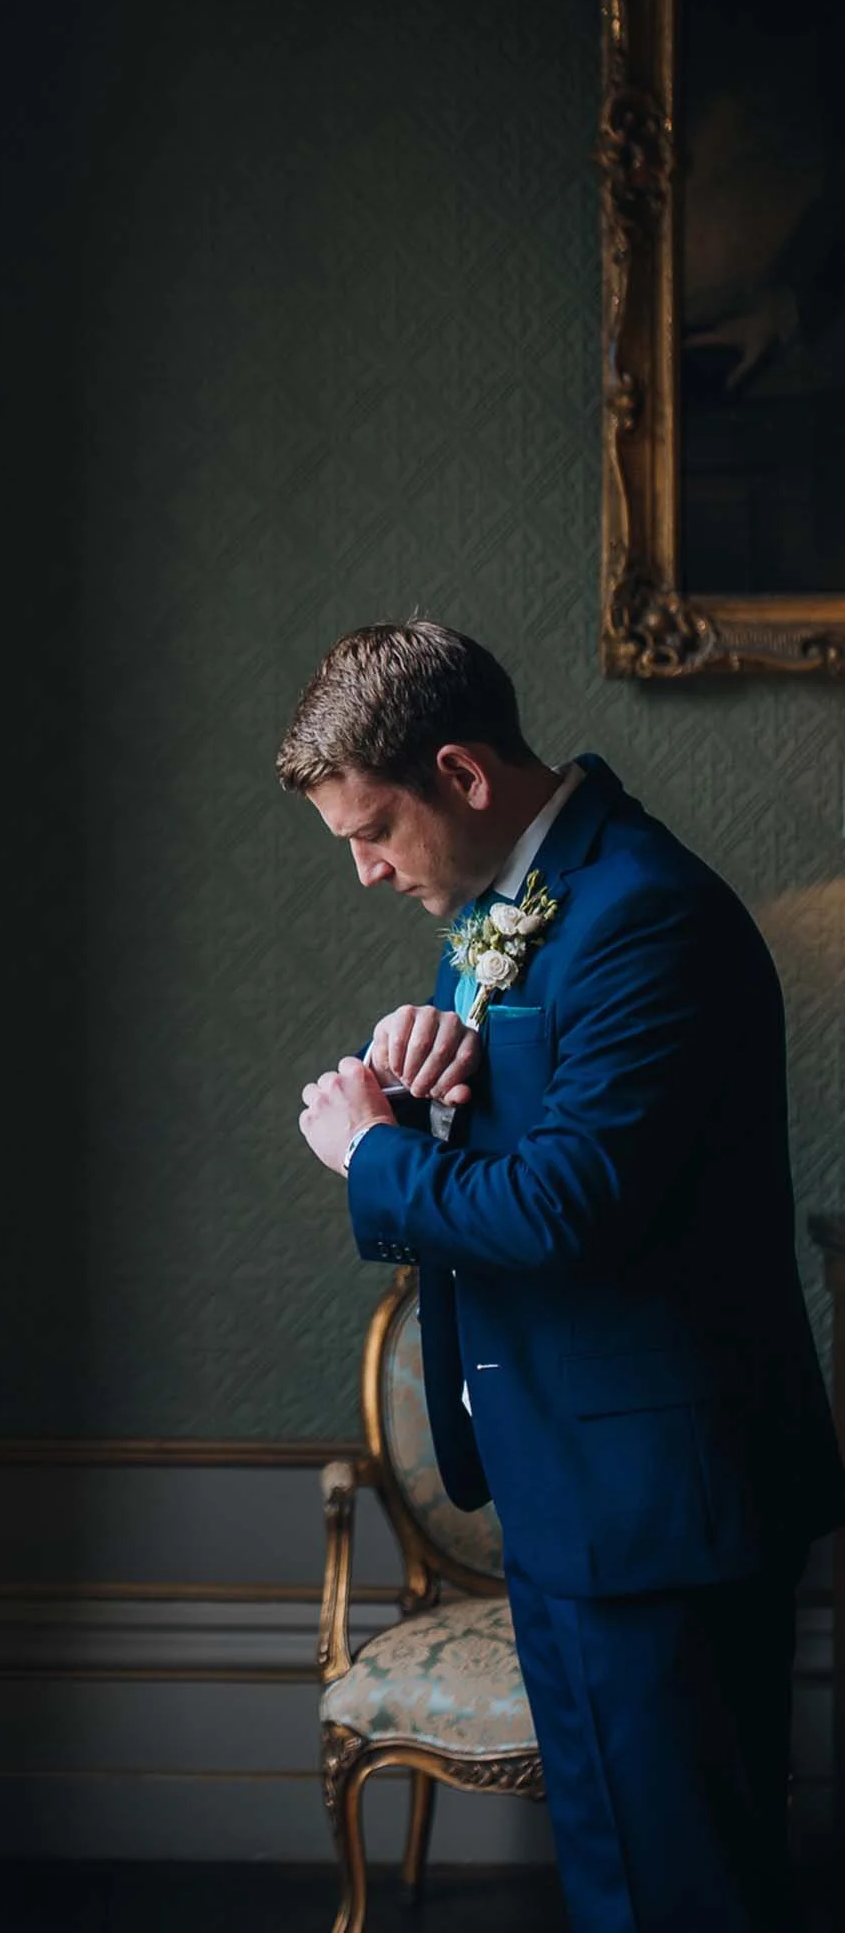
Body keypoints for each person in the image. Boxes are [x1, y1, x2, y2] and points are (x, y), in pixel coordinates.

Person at [281, 619, 845, 1930]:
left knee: (682, 1894)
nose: (366, 869)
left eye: (375, 830)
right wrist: (426, 1096)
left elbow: (564, 1209)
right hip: (572, 1487)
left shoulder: (643, 913)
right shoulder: (509, 901)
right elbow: (532, 1145)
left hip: (657, 1505)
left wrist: (366, 1152)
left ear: (462, 774)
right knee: (622, 1884)